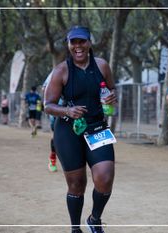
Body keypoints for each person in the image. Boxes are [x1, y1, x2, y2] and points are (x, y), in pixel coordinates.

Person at [44, 26, 116, 233]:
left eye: (82, 41)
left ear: (89, 43)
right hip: (69, 131)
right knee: (76, 184)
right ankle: (75, 229)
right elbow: (48, 104)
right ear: (68, 45)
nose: (78, 46)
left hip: (97, 127)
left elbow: (112, 88)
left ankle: (95, 219)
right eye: (73, 42)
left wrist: (112, 95)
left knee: (105, 176)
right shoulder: (61, 71)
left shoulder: (101, 66)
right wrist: (67, 110)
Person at [42, 71, 58, 172]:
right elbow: (44, 88)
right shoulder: (57, 71)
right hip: (57, 109)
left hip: (75, 108)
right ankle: (52, 159)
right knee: (55, 136)